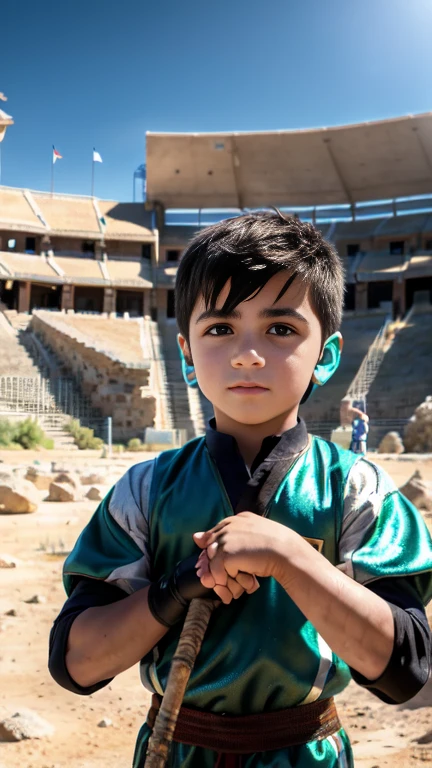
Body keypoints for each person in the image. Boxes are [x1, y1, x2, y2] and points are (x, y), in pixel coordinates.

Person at [49, 212, 432, 768]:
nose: (247, 353)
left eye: (281, 329)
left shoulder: (356, 488)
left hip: (307, 755)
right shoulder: (146, 489)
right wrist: (181, 584)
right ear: (185, 353)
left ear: (326, 354)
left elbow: (405, 668)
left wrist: (289, 555)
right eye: (220, 328)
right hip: (172, 752)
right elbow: (76, 662)